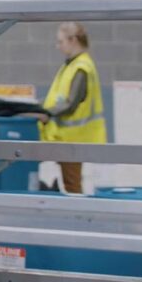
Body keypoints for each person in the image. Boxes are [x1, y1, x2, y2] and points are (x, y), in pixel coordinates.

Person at [39, 22, 107, 193]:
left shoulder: (81, 67)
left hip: (74, 137)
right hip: (65, 138)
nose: (58, 46)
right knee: (69, 184)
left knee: (72, 185)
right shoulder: (71, 65)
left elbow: (71, 103)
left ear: (73, 40)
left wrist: (46, 113)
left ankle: (75, 216)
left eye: (60, 41)